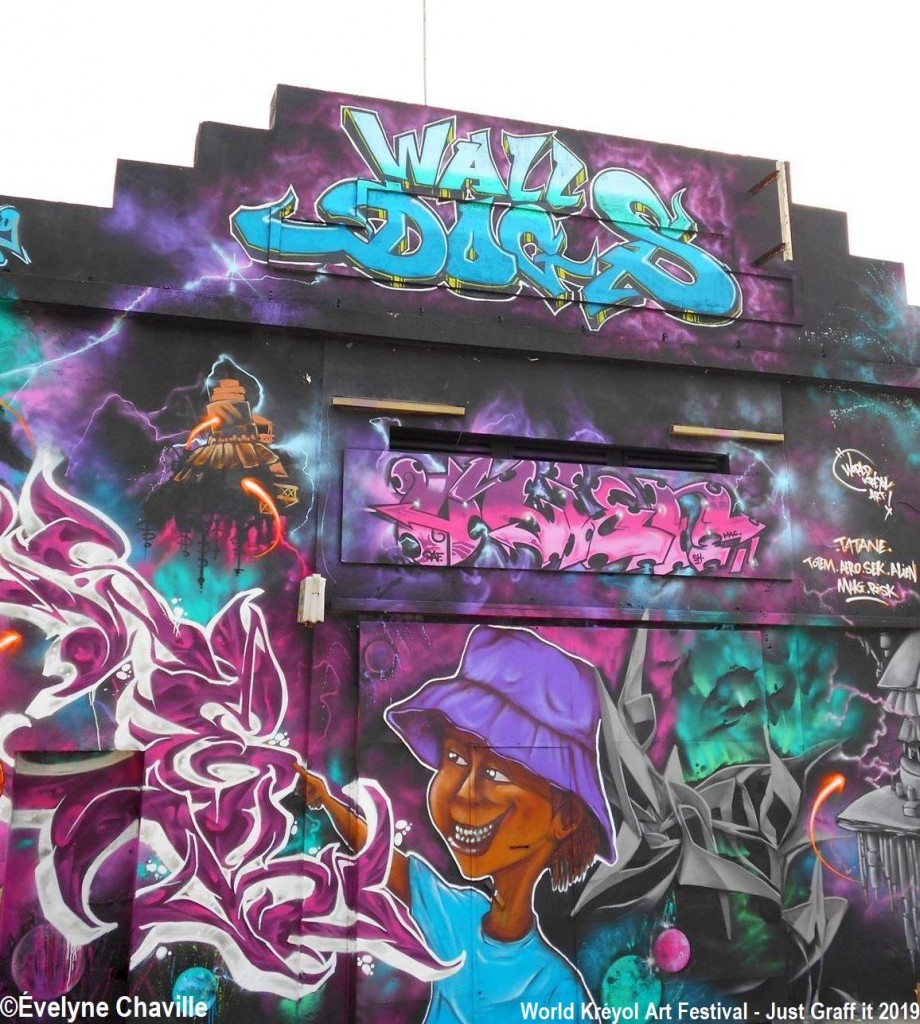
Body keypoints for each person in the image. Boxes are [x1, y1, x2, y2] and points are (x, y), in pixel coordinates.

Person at [298, 625, 617, 1024]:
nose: (465, 793)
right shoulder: (456, 914)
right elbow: (381, 857)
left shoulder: (557, 990)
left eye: (497, 774)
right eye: (456, 758)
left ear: (565, 818)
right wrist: (327, 801)